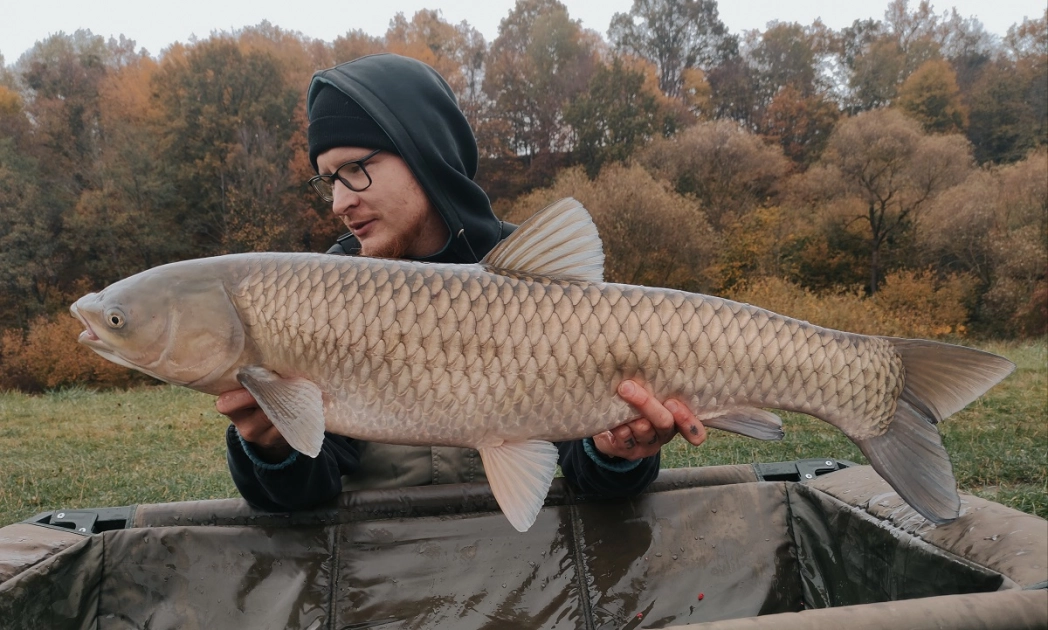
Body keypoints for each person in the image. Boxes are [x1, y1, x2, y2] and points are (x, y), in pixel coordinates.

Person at [217, 53, 707, 512]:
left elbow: (591, 479)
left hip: (532, 572)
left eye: (355, 170)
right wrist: (270, 446)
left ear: (425, 154)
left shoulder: (541, 279)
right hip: (380, 578)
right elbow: (307, 500)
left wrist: (617, 451)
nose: (339, 203)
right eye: (329, 180)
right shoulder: (320, 297)